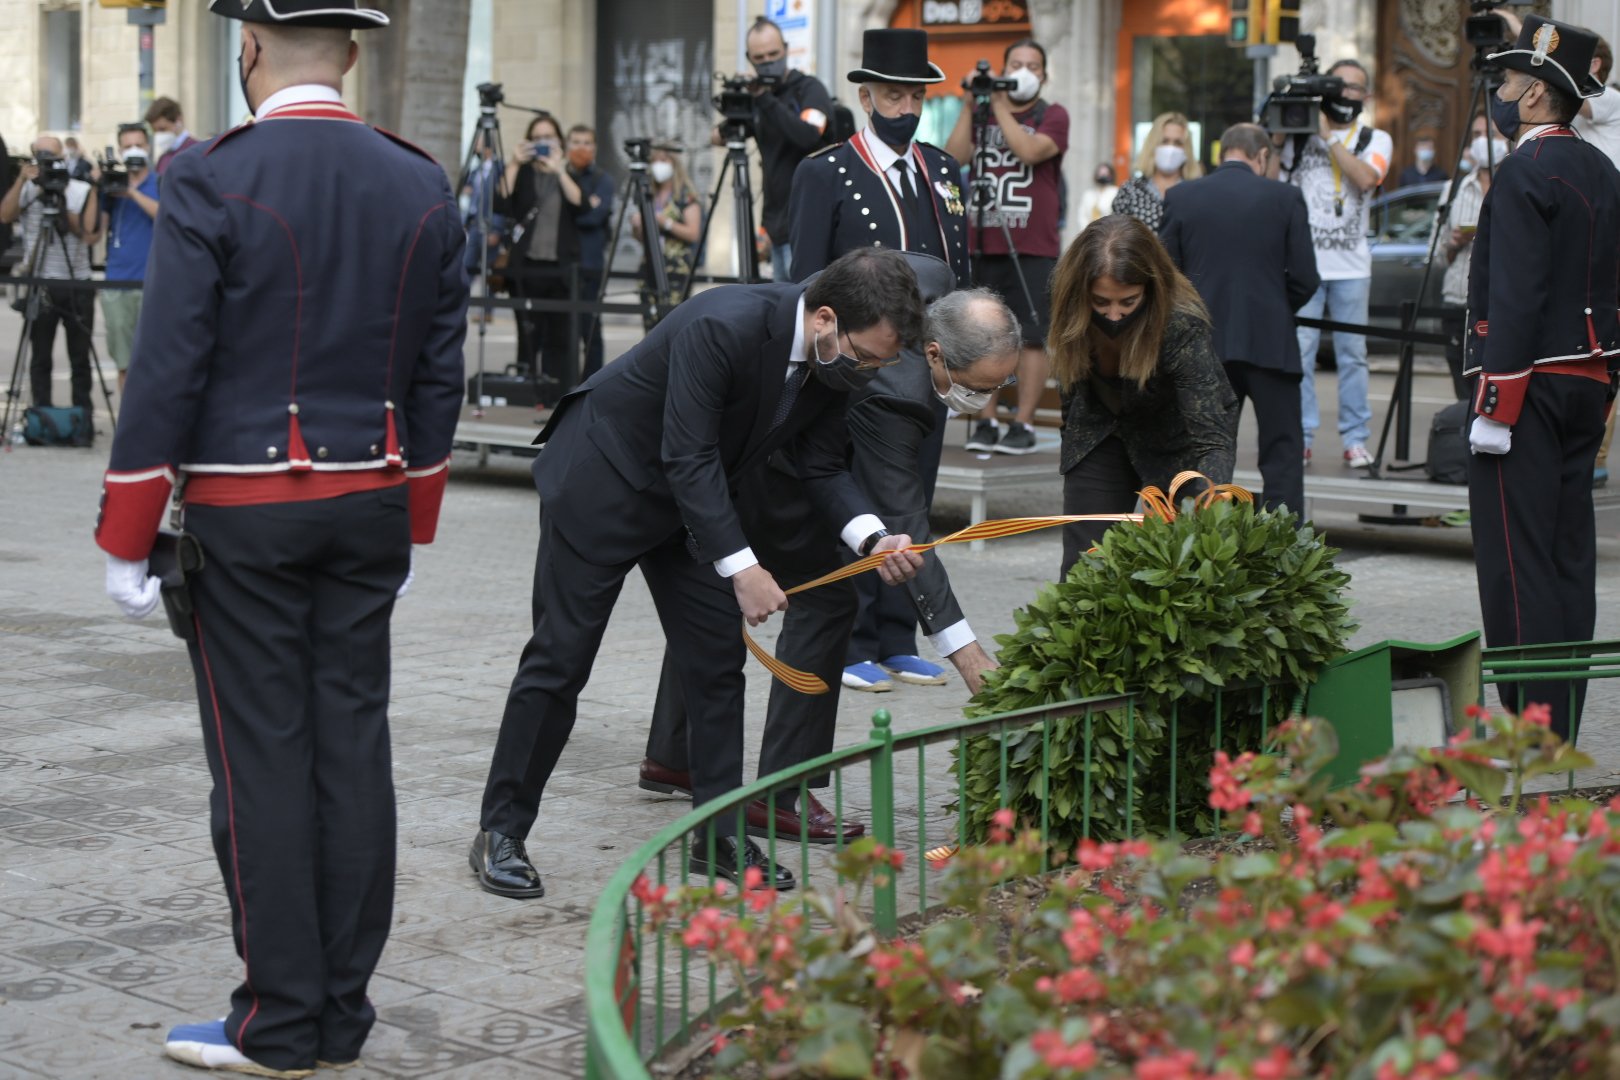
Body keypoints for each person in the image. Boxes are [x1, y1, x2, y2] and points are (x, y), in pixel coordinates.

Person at [94, 3, 468, 1073]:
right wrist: (415, 515)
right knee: (354, 750)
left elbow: (170, 365)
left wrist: (127, 531)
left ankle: (281, 1021)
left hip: (244, 513)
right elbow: (437, 372)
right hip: (370, 504)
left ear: (249, 48)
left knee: (262, 763)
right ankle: (340, 1011)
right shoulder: (418, 179)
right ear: (351, 52)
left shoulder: (213, 173)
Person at [470, 248, 926, 899]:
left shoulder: (835, 363)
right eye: (869, 357)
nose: (873, 372)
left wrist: (874, 537)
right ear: (826, 319)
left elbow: (821, 466)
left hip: (691, 510)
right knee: (561, 660)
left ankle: (716, 837)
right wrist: (745, 568)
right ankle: (500, 830)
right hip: (605, 484)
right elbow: (688, 453)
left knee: (715, 668)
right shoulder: (726, 323)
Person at [640, 260, 1010, 843]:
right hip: (775, 459)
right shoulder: (898, 395)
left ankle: (673, 755)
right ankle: (780, 792)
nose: (985, 403)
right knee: (827, 601)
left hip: (773, 434)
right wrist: (966, 656)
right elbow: (905, 523)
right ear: (934, 353)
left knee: (710, 594)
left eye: (999, 387)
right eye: (981, 388)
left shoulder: (929, 280)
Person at [787, 27, 970, 693]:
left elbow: (961, 274)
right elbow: (805, 278)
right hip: (857, 369)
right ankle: (853, 637)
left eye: (916, 94)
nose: (906, 107)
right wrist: (823, 364)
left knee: (913, 502)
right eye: (892, 94)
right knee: (858, 501)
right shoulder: (826, 172)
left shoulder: (945, 173)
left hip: (923, 372)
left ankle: (898, 634)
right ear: (866, 96)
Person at [1465, 15, 1620, 742]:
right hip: (1588, 382)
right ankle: (1563, 724)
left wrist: (1496, 404)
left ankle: (1534, 736)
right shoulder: (1603, 169)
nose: (1498, 91)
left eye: (1506, 81)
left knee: (1516, 564)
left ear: (1534, 98)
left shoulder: (1527, 170)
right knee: (1566, 561)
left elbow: (1516, 296)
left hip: (1527, 389)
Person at [1049, 215, 1238, 578]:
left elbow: (1211, 437)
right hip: (1100, 430)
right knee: (1084, 567)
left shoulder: (1180, 323)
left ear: (1150, 289)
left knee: (1179, 565)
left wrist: (1210, 499)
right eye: (1101, 302)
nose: (1114, 314)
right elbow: (1070, 390)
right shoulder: (1069, 303)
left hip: (1178, 439)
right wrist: (1071, 452)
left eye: (1128, 302)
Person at [1162, 123, 1319, 515]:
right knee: (1281, 451)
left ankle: (1196, 537)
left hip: (1203, 345)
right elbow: (1305, 278)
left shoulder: (1181, 196)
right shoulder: (1286, 198)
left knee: (1205, 449)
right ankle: (1287, 543)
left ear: (1222, 153)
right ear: (1262, 156)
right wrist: (1276, 307)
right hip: (1271, 341)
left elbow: (1166, 276)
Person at [943, 37, 1068, 456]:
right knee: (981, 335)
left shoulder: (1053, 115)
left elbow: (1030, 151)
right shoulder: (981, 111)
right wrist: (969, 105)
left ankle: (1024, 421)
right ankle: (986, 417)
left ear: (1044, 75)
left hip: (1032, 243)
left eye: (1033, 65)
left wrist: (997, 106)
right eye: (1016, 63)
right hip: (982, 240)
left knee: (1031, 335)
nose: (1023, 71)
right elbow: (951, 158)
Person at [1270, 56, 1392, 469]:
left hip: (1351, 269)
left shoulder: (1376, 138)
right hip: (1305, 266)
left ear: (1366, 96)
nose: (1343, 94)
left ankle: (1355, 439)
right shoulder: (1299, 135)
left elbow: (1365, 179)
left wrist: (1330, 139)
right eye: (1336, 86)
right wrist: (1278, 131)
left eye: (1353, 88)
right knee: (1299, 352)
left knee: (1352, 354)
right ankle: (1300, 436)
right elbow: (1268, 178)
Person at [715, 16, 832, 282]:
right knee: (784, 310)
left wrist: (764, 98)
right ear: (749, 58)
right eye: (760, 57)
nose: (768, 61)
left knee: (805, 308)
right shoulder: (758, 100)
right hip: (775, 226)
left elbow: (808, 135)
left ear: (786, 49)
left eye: (774, 54)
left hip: (809, 227)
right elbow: (722, 134)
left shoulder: (809, 90)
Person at [0, 135, 103, 422]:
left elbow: (89, 231)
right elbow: (5, 215)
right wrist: (23, 181)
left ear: (64, 158)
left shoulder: (80, 189)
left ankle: (81, 419)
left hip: (76, 282)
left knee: (80, 357)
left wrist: (59, 195)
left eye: (54, 157)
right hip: (41, 282)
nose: (49, 163)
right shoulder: (28, 189)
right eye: (42, 156)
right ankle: (41, 418)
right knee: (40, 357)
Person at [499, 112, 587, 400]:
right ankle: (527, 397)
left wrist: (559, 169)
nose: (542, 143)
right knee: (528, 337)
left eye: (548, 137)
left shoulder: (568, 171)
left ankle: (558, 397)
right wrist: (514, 161)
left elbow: (580, 204)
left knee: (561, 339)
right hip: (526, 268)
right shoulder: (522, 172)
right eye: (536, 138)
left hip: (560, 268)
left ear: (559, 140)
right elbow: (501, 200)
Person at [1438, 114, 1504, 400]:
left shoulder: (1519, 183)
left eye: (1490, 133)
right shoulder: (1454, 189)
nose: (1482, 141)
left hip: (1502, 305)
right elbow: (1439, 256)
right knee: (1464, 395)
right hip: (1459, 301)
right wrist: (1452, 242)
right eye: (1476, 134)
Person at [99, 123, 160, 394]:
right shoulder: (112, 185)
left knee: (154, 362)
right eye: (127, 146)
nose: (133, 151)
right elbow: (94, 232)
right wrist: (97, 186)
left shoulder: (160, 181)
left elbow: (165, 216)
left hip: (152, 282)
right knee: (124, 363)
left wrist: (133, 192)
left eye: (138, 144)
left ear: (147, 147)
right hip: (117, 281)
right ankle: (129, 429)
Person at [628, 142, 702, 329]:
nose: (658, 165)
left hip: (675, 269)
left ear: (674, 163)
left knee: (672, 325)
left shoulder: (685, 196)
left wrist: (665, 222)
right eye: (654, 160)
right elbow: (641, 239)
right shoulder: (648, 193)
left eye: (663, 160)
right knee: (650, 324)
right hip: (649, 266)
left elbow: (693, 234)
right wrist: (639, 226)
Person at [566, 124, 614, 378]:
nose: (581, 148)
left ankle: (592, 383)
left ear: (594, 148)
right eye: (575, 142)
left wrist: (577, 210)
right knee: (563, 330)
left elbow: (594, 218)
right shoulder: (560, 176)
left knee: (591, 329)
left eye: (586, 142)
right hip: (564, 263)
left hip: (590, 264)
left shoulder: (603, 180)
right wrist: (587, 205)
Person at [1111, 111, 1200, 232]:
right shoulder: (1130, 191)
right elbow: (1115, 237)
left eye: (1178, 143)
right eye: (1164, 141)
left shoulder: (1196, 193)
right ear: (1153, 145)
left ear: (1186, 149)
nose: (1171, 148)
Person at [460, 141, 504, 321]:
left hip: (490, 226)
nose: (476, 147)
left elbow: (501, 201)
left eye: (479, 144)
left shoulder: (499, 168)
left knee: (489, 270)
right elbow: (469, 193)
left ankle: (487, 312)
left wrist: (497, 228)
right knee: (467, 266)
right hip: (474, 225)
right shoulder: (476, 170)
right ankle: (460, 305)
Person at [145, 96, 200, 176]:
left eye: (162, 129)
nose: (158, 135)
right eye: (154, 131)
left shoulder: (197, 151)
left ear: (178, 121)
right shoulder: (163, 158)